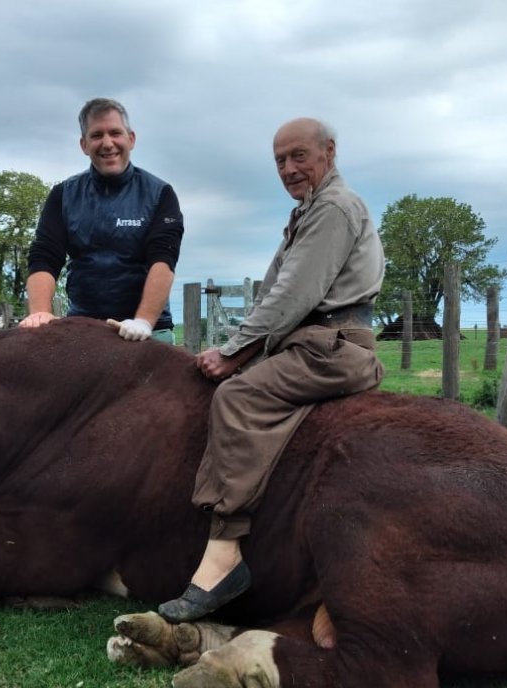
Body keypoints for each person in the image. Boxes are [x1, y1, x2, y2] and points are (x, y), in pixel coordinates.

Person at [158, 117, 385, 623]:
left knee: (238, 397)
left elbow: (292, 294)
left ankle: (225, 553)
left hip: (331, 345)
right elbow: (274, 290)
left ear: (329, 151)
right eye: (280, 161)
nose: (288, 168)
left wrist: (234, 353)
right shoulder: (306, 212)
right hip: (312, 339)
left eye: (299, 156)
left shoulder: (333, 208)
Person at [20, 98, 183, 343]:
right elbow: (45, 256)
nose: (107, 143)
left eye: (115, 133)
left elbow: (163, 260)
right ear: (84, 145)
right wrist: (41, 312)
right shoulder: (63, 195)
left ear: (131, 139)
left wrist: (143, 321)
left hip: (148, 331)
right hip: (84, 329)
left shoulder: (160, 193)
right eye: (97, 135)